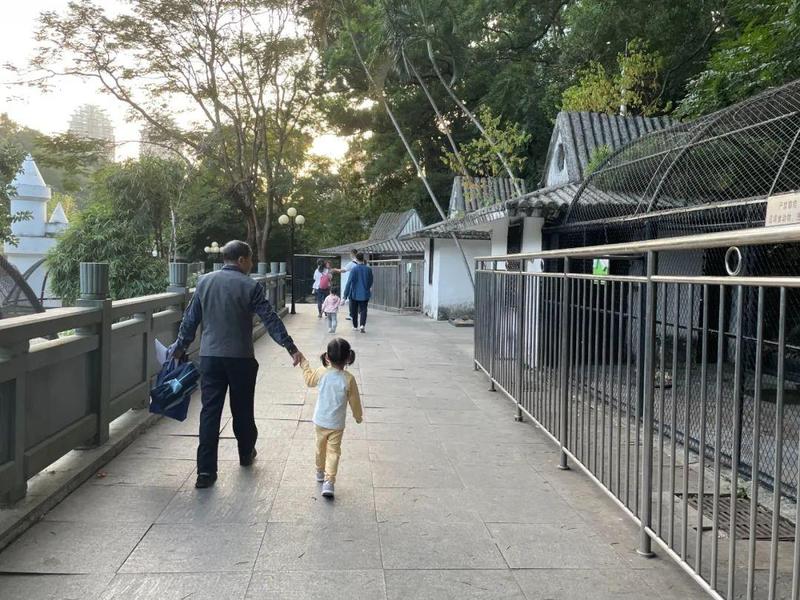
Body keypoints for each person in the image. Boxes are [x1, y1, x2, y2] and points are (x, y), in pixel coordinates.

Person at [172, 240, 304, 489]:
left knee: (209, 412)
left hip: (210, 358)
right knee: (242, 409)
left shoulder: (204, 282)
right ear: (242, 260)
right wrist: (290, 347)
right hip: (241, 358)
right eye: (250, 259)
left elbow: (190, 321)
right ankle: (245, 453)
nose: (251, 264)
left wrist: (179, 348)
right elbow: (270, 318)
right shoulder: (250, 285)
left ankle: (205, 472)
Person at [301, 338, 362, 498]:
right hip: (336, 424)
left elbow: (309, 380)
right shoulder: (349, 379)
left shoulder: (322, 372)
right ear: (348, 358)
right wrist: (358, 416)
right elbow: (355, 401)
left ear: (327, 357)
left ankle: (319, 471)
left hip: (320, 421)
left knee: (319, 447)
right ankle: (329, 482)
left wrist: (304, 364)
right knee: (333, 452)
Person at [343, 252, 373, 333]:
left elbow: (349, 282)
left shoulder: (354, 269)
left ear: (356, 259)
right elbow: (370, 281)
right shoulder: (368, 269)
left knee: (354, 310)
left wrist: (345, 296)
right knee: (363, 310)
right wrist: (367, 288)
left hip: (354, 293)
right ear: (363, 258)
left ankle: (355, 326)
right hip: (365, 293)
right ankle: (362, 325)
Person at [334, 250, 360, 320]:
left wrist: (335, 269)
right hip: (361, 283)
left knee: (351, 298)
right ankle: (359, 312)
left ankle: (352, 315)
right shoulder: (362, 263)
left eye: (350, 254)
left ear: (352, 254)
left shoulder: (352, 263)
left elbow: (343, 270)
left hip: (353, 283)